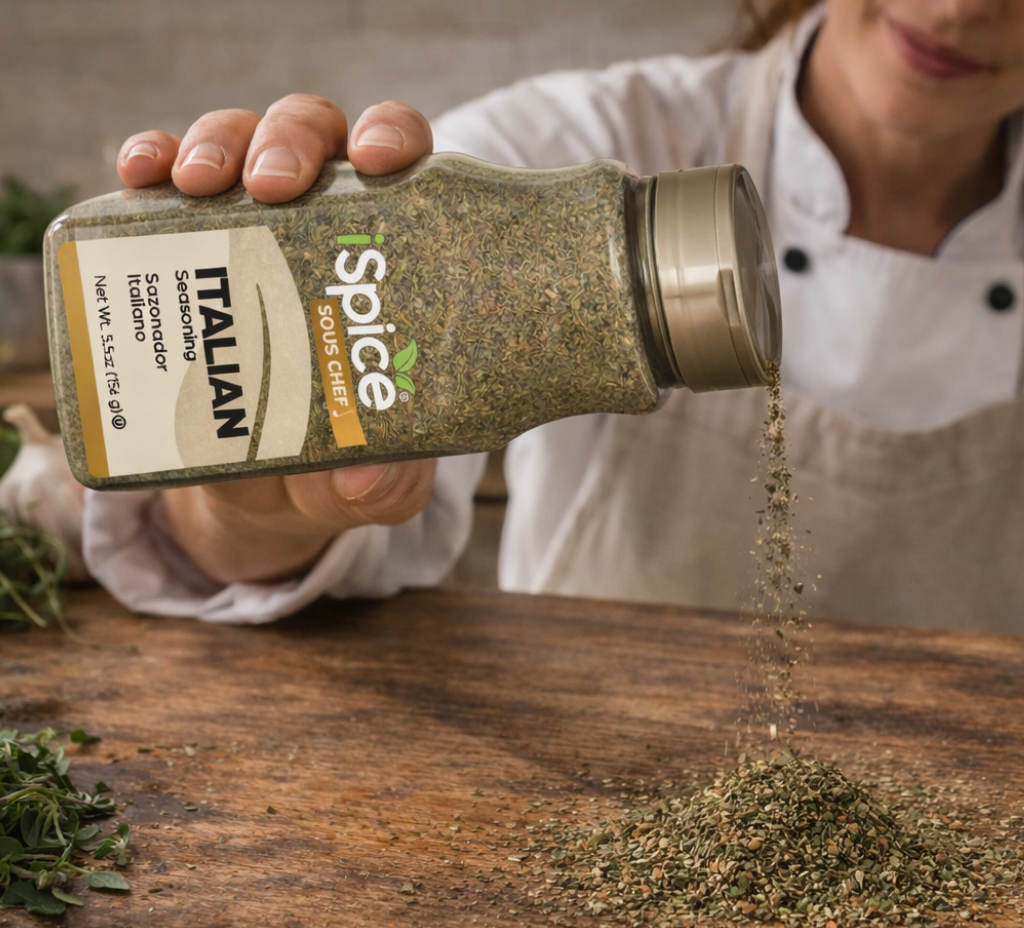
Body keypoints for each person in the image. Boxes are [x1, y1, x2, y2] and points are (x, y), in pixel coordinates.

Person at [82, 0, 1024, 634]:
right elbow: (323, 543)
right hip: (583, 787)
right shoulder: (567, 154)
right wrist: (253, 511)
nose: (960, 7)